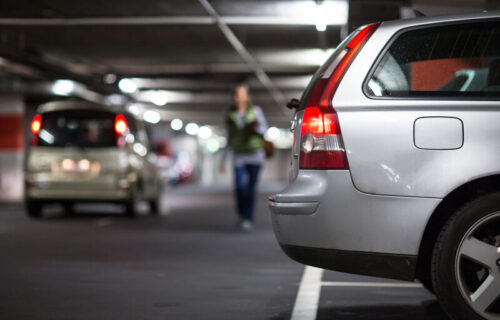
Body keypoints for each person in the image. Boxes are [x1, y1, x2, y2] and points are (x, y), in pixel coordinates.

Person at [220, 84, 268, 232]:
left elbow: (264, 130)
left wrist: (255, 128)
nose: (237, 97)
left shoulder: (255, 111)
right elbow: (228, 137)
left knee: (251, 188)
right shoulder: (230, 114)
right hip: (239, 155)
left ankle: (248, 218)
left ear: (248, 97)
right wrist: (222, 160)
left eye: (241, 94)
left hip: (255, 155)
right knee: (240, 187)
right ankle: (242, 215)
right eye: (235, 94)